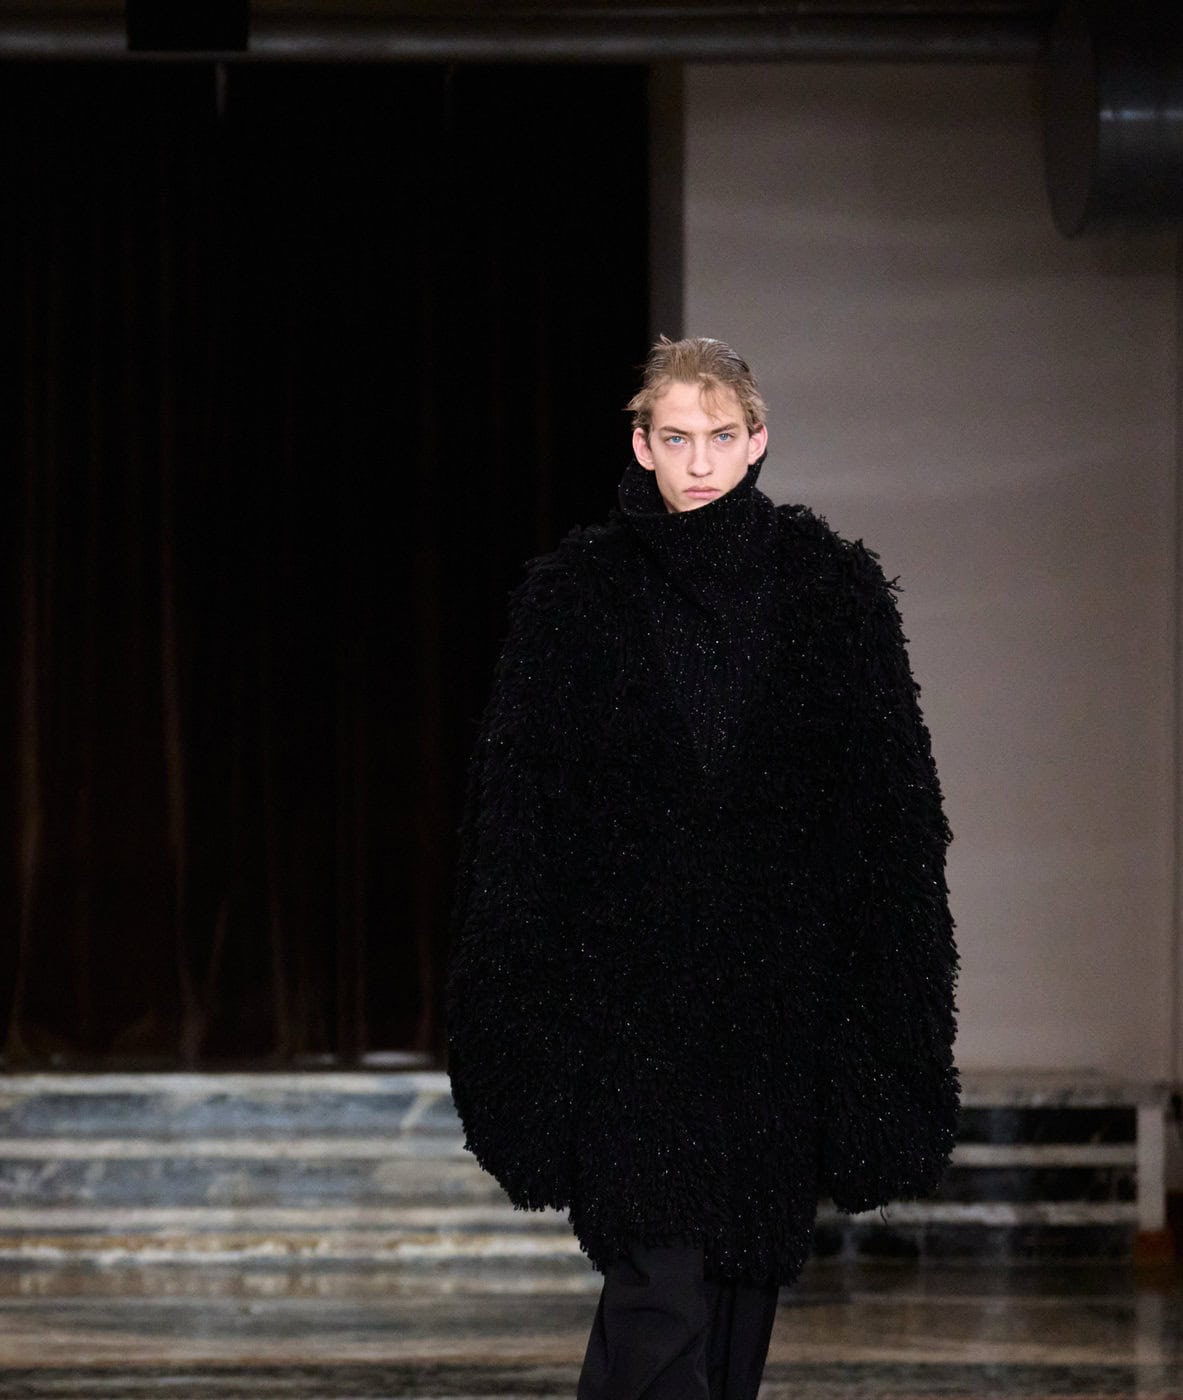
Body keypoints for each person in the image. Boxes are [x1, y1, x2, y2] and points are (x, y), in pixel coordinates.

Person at [443, 336, 961, 1400]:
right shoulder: (576, 596)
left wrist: (886, 1017)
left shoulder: (830, 591)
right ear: (641, 445)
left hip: (774, 1009)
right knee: (658, 1286)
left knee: (734, 1301)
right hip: (628, 1007)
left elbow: (893, 818)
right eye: (675, 439)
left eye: (719, 437)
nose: (699, 462)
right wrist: (523, 1011)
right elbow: (519, 821)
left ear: (757, 439)